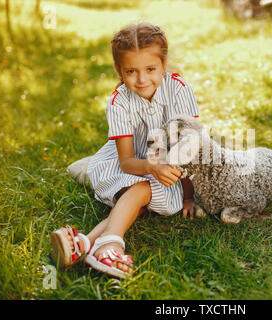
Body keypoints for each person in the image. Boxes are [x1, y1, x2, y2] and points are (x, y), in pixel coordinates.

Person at [50, 23, 199, 279]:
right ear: (119, 70)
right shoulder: (118, 101)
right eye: (131, 71)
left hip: (168, 164)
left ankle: (84, 244)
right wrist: (151, 168)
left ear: (164, 64)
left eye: (151, 69)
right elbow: (127, 161)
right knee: (140, 190)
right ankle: (110, 245)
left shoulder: (179, 89)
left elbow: (186, 148)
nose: (142, 80)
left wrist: (188, 196)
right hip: (131, 164)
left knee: (135, 203)